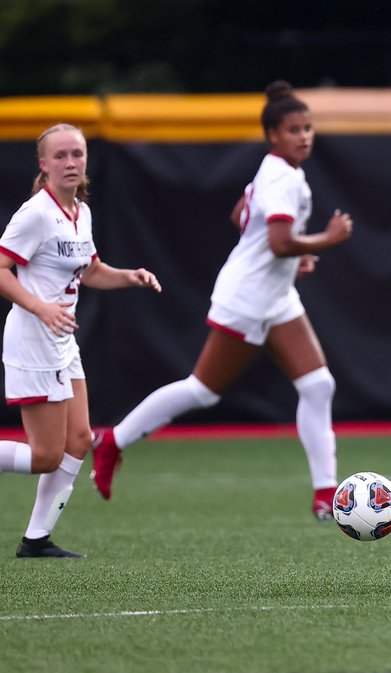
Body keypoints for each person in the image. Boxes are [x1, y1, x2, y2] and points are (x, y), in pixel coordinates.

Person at [90, 80, 353, 520]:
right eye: (294, 129)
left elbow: (241, 217)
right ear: (273, 135)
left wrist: (292, 259)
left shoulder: (279, 171)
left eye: (308, 128)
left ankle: (325, 494)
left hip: (275, 294)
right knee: (203, 391)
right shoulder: (281, 175)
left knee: (318, 385)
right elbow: (279, 241)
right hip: (248, 298)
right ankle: (113, 440)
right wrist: (325, 239)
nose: (304, 136)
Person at [0, 123, 162, 558]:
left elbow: (90, 270)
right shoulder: (35, 213)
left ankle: (36, 540)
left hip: (62, 342)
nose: (71, 163)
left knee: (79, 440)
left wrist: (130, 276)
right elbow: (1, 269)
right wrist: (41, 307)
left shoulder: (81, 211)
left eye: (78, 154)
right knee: (45, 456)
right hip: (34, 340)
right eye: (60, 156)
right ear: (43, 164)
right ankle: (35, 540)